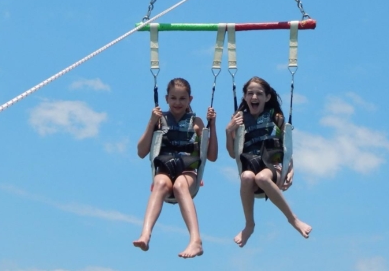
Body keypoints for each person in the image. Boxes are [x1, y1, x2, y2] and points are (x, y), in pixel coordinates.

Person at [133, 78, 218, 258]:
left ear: (190, 99)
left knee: (180, 185)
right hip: (165, 170)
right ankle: (145, 234)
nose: (177, 102)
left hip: (187, 173)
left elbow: (211, 156)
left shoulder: (196, 122)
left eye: (182, 98)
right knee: (160, 183)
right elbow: (141, 152)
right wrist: (151, 122)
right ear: (166, 99)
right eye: (173, 98)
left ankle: (196, 240)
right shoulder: (159, 120)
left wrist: (212, 125)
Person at [224, 76, 312, 247]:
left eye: (259, 94)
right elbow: (233, 154)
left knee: (262, 178)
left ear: (267, 97)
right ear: (245, 97)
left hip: (273, 167)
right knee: (247, 177)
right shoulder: (239, 120)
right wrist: (229, 131)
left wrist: (291, 169)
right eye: (250, 93)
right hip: (251, 165)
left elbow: (286, 147)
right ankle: (249, 225)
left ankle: (293, 219)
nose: (254, 97)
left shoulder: (276, 117)